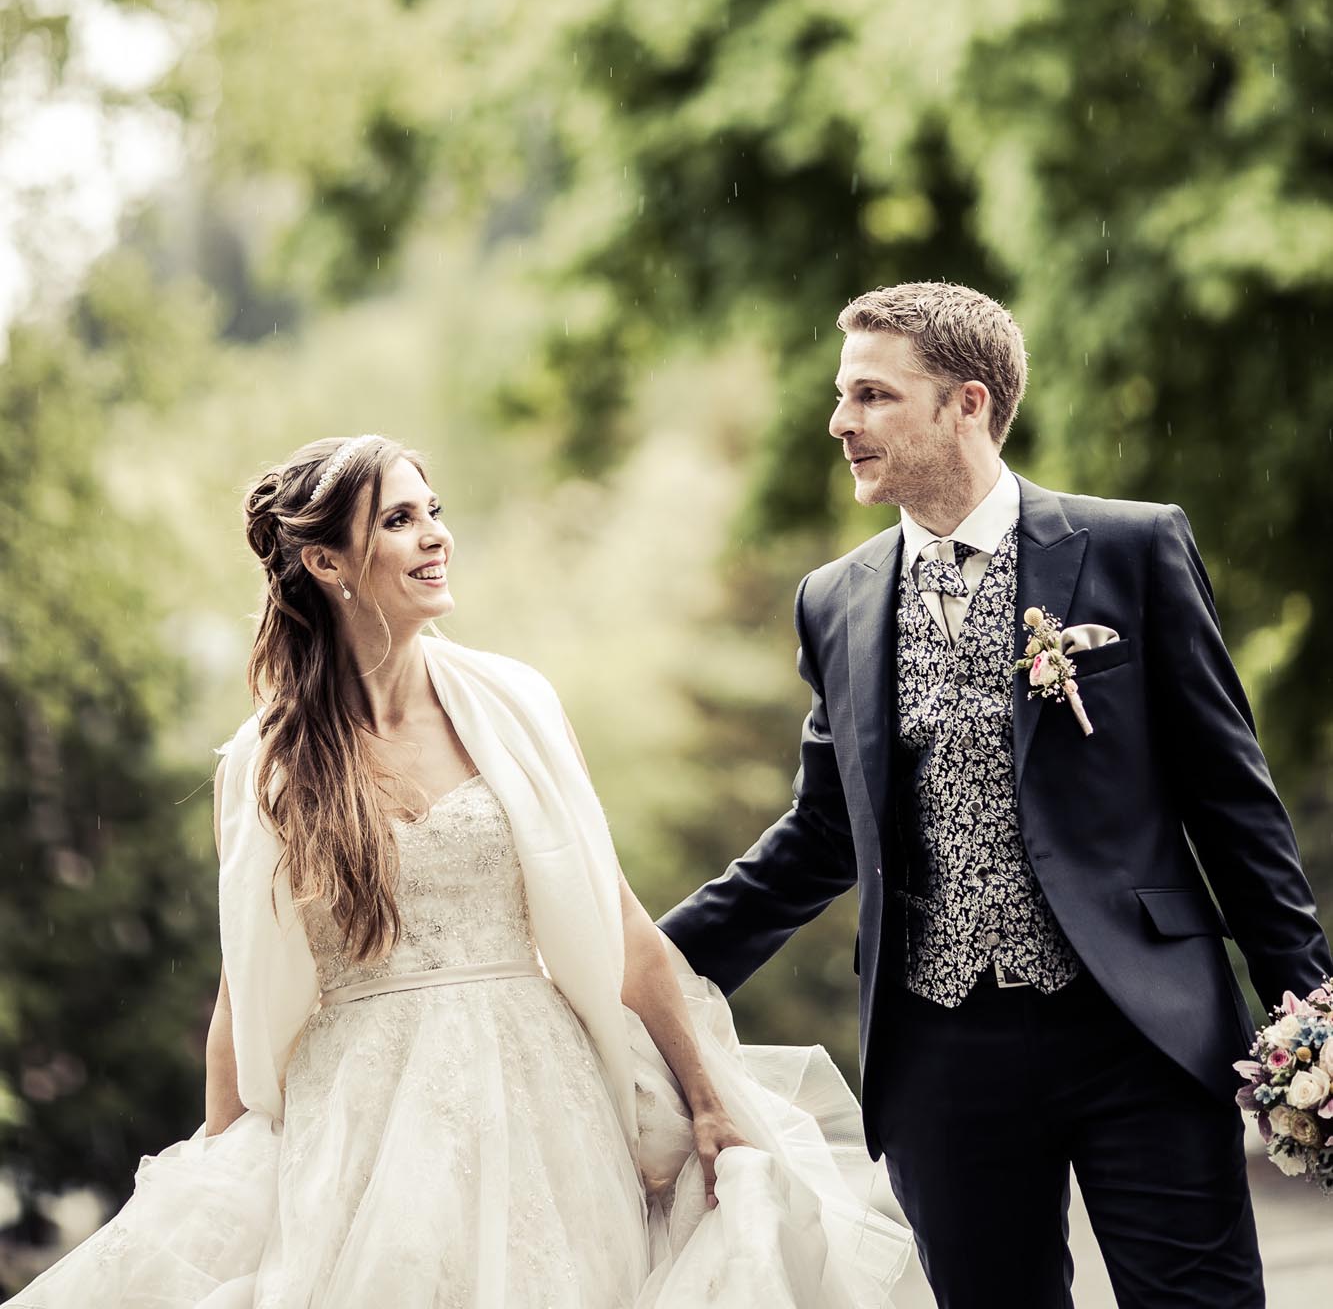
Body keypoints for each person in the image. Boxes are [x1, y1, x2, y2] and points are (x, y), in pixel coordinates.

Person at [13, 432, 911, 1309]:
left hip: (543, 1102)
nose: (436, 534)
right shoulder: (266, 764)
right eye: (399, 520)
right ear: (327, 564)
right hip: (364, 1122)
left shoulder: (517, 704)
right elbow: (241, 995)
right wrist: (217, 1171)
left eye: (432, 511)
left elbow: (622, 926)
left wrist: (711, 1100)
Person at [659, 281, 1332, 1309]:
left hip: (1136, 1026)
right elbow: (820, 837)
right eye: (843, 396)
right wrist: (644, 966)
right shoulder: (834, 598)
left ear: (966, 403)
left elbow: (1229, 800)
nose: (840, 422)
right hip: (941, 1051)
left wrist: (1311, 1008)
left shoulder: (1129, 546)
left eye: (873, 396)